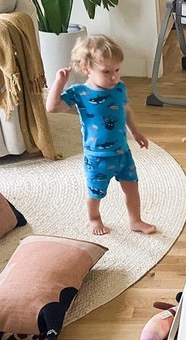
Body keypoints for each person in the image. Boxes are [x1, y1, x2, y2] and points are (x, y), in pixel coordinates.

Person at [46, 35, 156, 236]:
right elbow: (52, 107)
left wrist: (136, 131)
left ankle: (136, 220)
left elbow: (126, 111)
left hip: (123, 152)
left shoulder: (119, 88)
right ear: (87, 69)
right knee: (95, 192)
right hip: (97, 157)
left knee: (132, 187)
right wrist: (59, 82)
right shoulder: (79, 92)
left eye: (117, 70)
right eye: (106, 72)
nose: (114, 76)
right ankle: (94, 218)